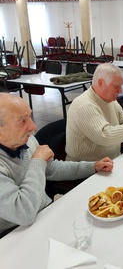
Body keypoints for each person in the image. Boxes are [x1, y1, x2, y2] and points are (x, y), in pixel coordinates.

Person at [0, 93, 114, 237]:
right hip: (14, 234)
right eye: (22, 121)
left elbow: (51, 169)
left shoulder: (26, 141)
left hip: (44, 214)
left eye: (30, 116)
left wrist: (92, 166)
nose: (33, 126)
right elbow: (23, 213)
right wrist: (37, 161)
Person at [65, 63, 123, 161]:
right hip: (87, 169)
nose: (120, 90)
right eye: (116, 86)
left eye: (121, 86)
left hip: (112, 160)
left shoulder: (109, 100)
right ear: (101, 83)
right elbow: (105, 136)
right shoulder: (85, 105)